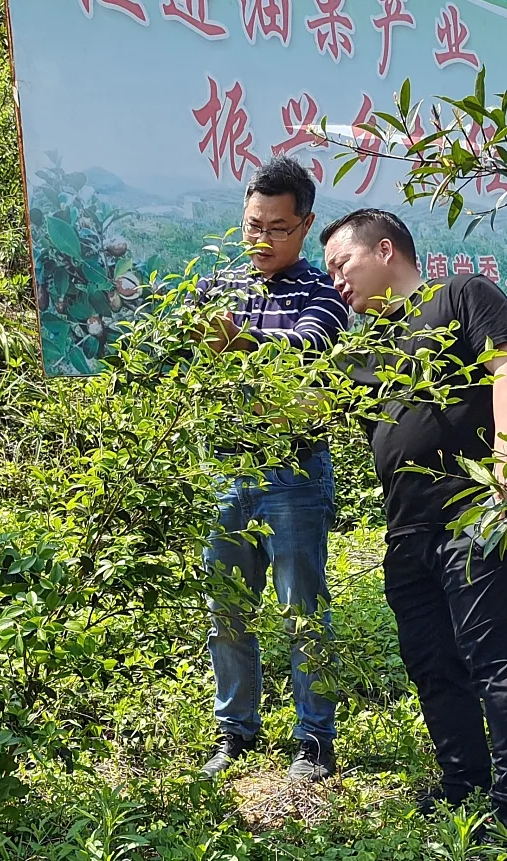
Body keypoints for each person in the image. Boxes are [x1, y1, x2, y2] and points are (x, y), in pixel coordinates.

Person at [321, 209, 507, 828]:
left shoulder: (460, 296)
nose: (336, 280)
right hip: (407, 530)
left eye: (342, 264)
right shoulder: (363, 349)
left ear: (385, 249)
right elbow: (309, 408)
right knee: (430, 661)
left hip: (479, 510)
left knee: (496, 659)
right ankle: (464, 782)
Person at [196, 156, 350, 781]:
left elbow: (310, 351)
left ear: (306, 224)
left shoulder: (325, 292)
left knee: (303, 608)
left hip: (294, 473)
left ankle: (316, 739)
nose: (261, 239)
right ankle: (235, 731)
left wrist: (245, 347)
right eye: (253, 225)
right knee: (226, 608)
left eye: (277, 228)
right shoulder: (218, 289)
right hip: (229, 469)